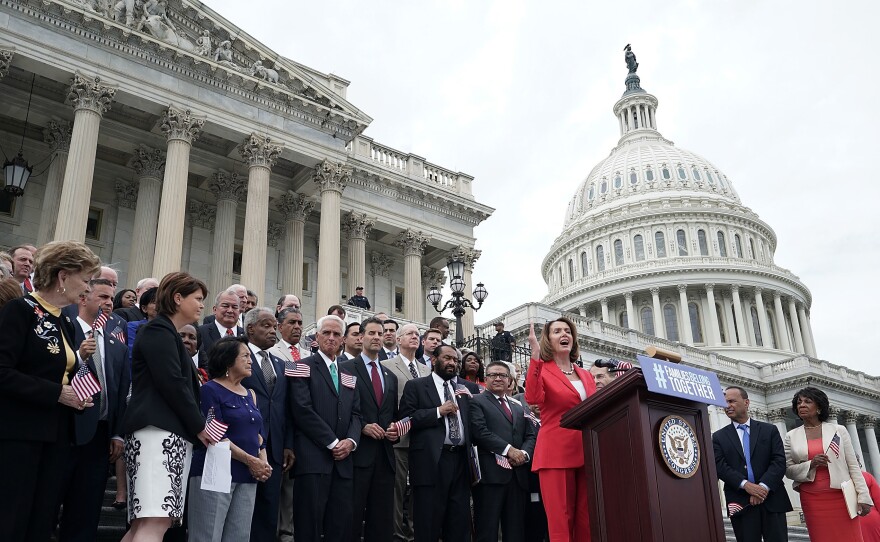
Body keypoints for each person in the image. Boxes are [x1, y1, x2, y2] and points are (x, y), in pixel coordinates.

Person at [0, 240, 100, 541]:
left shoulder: (64, 322)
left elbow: (61, 373)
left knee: (41, 521)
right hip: (19, 435)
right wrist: (56, 392)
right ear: (63, 276)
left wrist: (74, 393)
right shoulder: (20, 311)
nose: (88, 288)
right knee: (11, 518)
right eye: (85, 279)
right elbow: (3, 372)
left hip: (56, 437)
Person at [121, 272, 212, 542]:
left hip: (161, 434)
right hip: (158, 434)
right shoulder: (159, 331)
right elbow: (172, 383)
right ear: (177, 298)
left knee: (145, 523)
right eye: (197, 299)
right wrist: (199, 425)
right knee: (154, 521)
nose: (201, 305)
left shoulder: (164, 333)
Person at [57, 277, 132, 542]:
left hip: (100, 438)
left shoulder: (117, 347)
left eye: (111, 298)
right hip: (63, 433)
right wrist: (79, 357)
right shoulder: (63, 331)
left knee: (86, 511)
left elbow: (120, 394)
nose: (109, 302)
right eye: (102, 297)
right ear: (83, 298)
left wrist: (117, 434)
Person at [188, 336, 271, 542]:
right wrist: (252, 461)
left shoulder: (250, 394)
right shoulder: (210, 390)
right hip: (216, 472)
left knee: (239, 537)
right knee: (207, 535)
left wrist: (263, 462)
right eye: (245, 356)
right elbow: (216, 435)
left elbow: (259, 436)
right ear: (228, 361)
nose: (250, 360)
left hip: (248, 474)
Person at [288, 314, 362, 542]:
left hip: (343, 463)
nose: (331, 338)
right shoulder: (299, 366)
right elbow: (302, 410)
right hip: (313, 459)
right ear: (317, 336)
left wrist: (351, 441)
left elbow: (357, 414)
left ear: (342, 340)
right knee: (308, 525)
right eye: (326, 333)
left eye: (336, 334)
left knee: (339, 525)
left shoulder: (350, 374)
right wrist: (333, 442)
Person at [524, 317, 596, 542]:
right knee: (560, 521)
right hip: (556, 454)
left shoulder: (585, 374)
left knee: (586, 521)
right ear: (548, 339)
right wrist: (534, 359)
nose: (564, 335)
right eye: (557, 331)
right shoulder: (543, 370)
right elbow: (533, 398)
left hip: (587, 452)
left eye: (567, 331)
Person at [398, 344, 473, 542]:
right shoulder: (416, 385)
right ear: (433, 360)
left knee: (458, 522)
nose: (452, 363)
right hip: (431, 461)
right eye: (447, 358)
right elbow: (407, 419)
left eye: (456, 360)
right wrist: (438, 411)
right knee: (428, 522)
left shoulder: (464, 389)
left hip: (461, 461)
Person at [784, 387, 873, 542]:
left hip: (841, 497)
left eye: (807, 401)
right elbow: (788, 470)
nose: (801, 405)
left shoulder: (838, 430)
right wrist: (810, 464)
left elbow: (853, 466)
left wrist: (864, 497)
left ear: (819, 407)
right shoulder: (791, 436)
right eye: (799, 402)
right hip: (812, 498)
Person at [341, 317, 399, 542]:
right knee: (352, 514)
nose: (376, 337)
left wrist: (394, 430)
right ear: (361, 336)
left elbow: (392, 415)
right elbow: (341, 409)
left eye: (380, 333)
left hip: (385, 456)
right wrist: (362, 427)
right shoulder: (346, 368)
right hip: (357, 454)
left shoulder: (390, 376)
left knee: (382, 518)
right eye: (372, 333)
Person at [240, 308, 294, 542]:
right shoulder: (238, 358)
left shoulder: (281, 364)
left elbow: (287, 408)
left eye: (274, 327)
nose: (273, 331)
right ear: (250, 328)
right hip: (244, 446)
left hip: (274, 448)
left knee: (269, 509)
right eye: (266, 326)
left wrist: (288, 444)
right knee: (242, 510)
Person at [712, 386, 792, 542]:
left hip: (772, 500)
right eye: (725, 402)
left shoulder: (769, 430)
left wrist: (762, 488)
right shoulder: (718, 437)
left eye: (732, 401)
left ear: (746, 402)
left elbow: (779, 461)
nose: (727, 406)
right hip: (740, 501)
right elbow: (720, 467)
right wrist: (746, 486)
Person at [469, 360, 537, 542]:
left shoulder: (518, 406)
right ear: (485, 378)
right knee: (487, 530)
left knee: (515, 531)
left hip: (517, 477)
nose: (498, 378)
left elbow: (531, 435)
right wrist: (509, 450)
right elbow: (480, 431)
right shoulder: (476, 401)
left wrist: (523, 454)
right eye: (493, 375)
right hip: (491, 477)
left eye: (503, 375)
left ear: (510, 380)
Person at [382, 323, 432, 542]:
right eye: (410, 333)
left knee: (419, 490)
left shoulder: (427, 370)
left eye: (417, 334)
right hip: (398, 438)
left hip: (422, 439)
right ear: (398, 339)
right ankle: (397, 534)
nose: (415, 336)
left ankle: (415, 532)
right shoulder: (385, 365)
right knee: (397, 489)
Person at [267, 307, 308, 542]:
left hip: (304, 428)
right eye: (292, 322)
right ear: (279, 326)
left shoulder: (308, 355)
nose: (297, 327)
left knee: (294, 488)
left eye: (300, 323)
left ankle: (288, 532)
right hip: (280, 426)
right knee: (278, 484)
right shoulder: (271, 353)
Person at [197, 290, 243, 364]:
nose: (230, 310)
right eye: (225, 306)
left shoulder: (247, 336)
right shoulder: (200, 333)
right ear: (215, 309)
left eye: (234, 307)